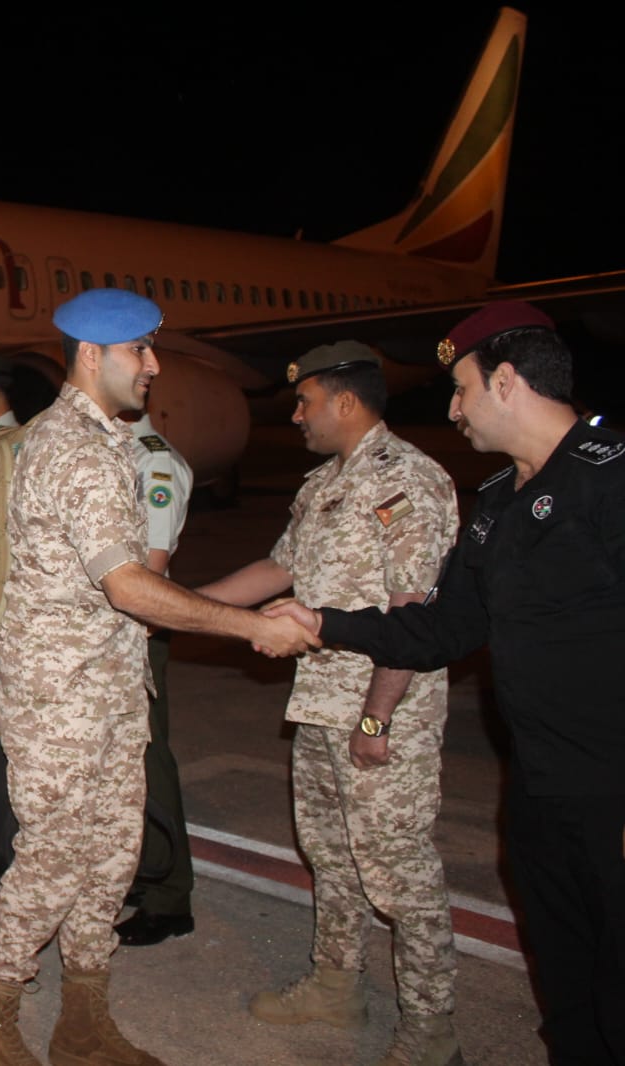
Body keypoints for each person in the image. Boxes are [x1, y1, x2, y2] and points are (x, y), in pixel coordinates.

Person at [0, 289, 318, 1066]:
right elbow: (126, 586)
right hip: (60, 696)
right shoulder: (75, 449)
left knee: (112, 855)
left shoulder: (111, 440)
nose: (153, 364)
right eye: (138, 350)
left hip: (111, 687)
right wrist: (250, 625)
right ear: (91, 355)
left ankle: (83, 1023)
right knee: (54, 858)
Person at [265, 303, 625, 1066]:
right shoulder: (498, 501)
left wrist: (373, 717)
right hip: (538, 778)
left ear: (505, 381)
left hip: (610, 782)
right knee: (564, 968)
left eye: (460, 390)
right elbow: (439, 628)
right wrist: (322, 622)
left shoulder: (611, 477)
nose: (452, 409)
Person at [197, 340, 461, 1065]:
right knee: (331, 856)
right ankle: (336, 984)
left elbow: (413, 613)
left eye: (304, 402)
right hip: (320, 702)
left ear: (345, 402)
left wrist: (376, 717)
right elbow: (277, 568)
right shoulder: (323, 484)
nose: (296, 415)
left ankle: (430, 1027)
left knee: (398, 871)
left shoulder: (407, 479)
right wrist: (184, 608)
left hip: (383, 708)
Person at [113, 407, 198, 949]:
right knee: (124, 760)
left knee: (149, 758)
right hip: (117, 628)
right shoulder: (115, 453)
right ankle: (144, 872)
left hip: (140, 629)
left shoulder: (153, 463)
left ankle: (170, 896)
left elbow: (153, 565)